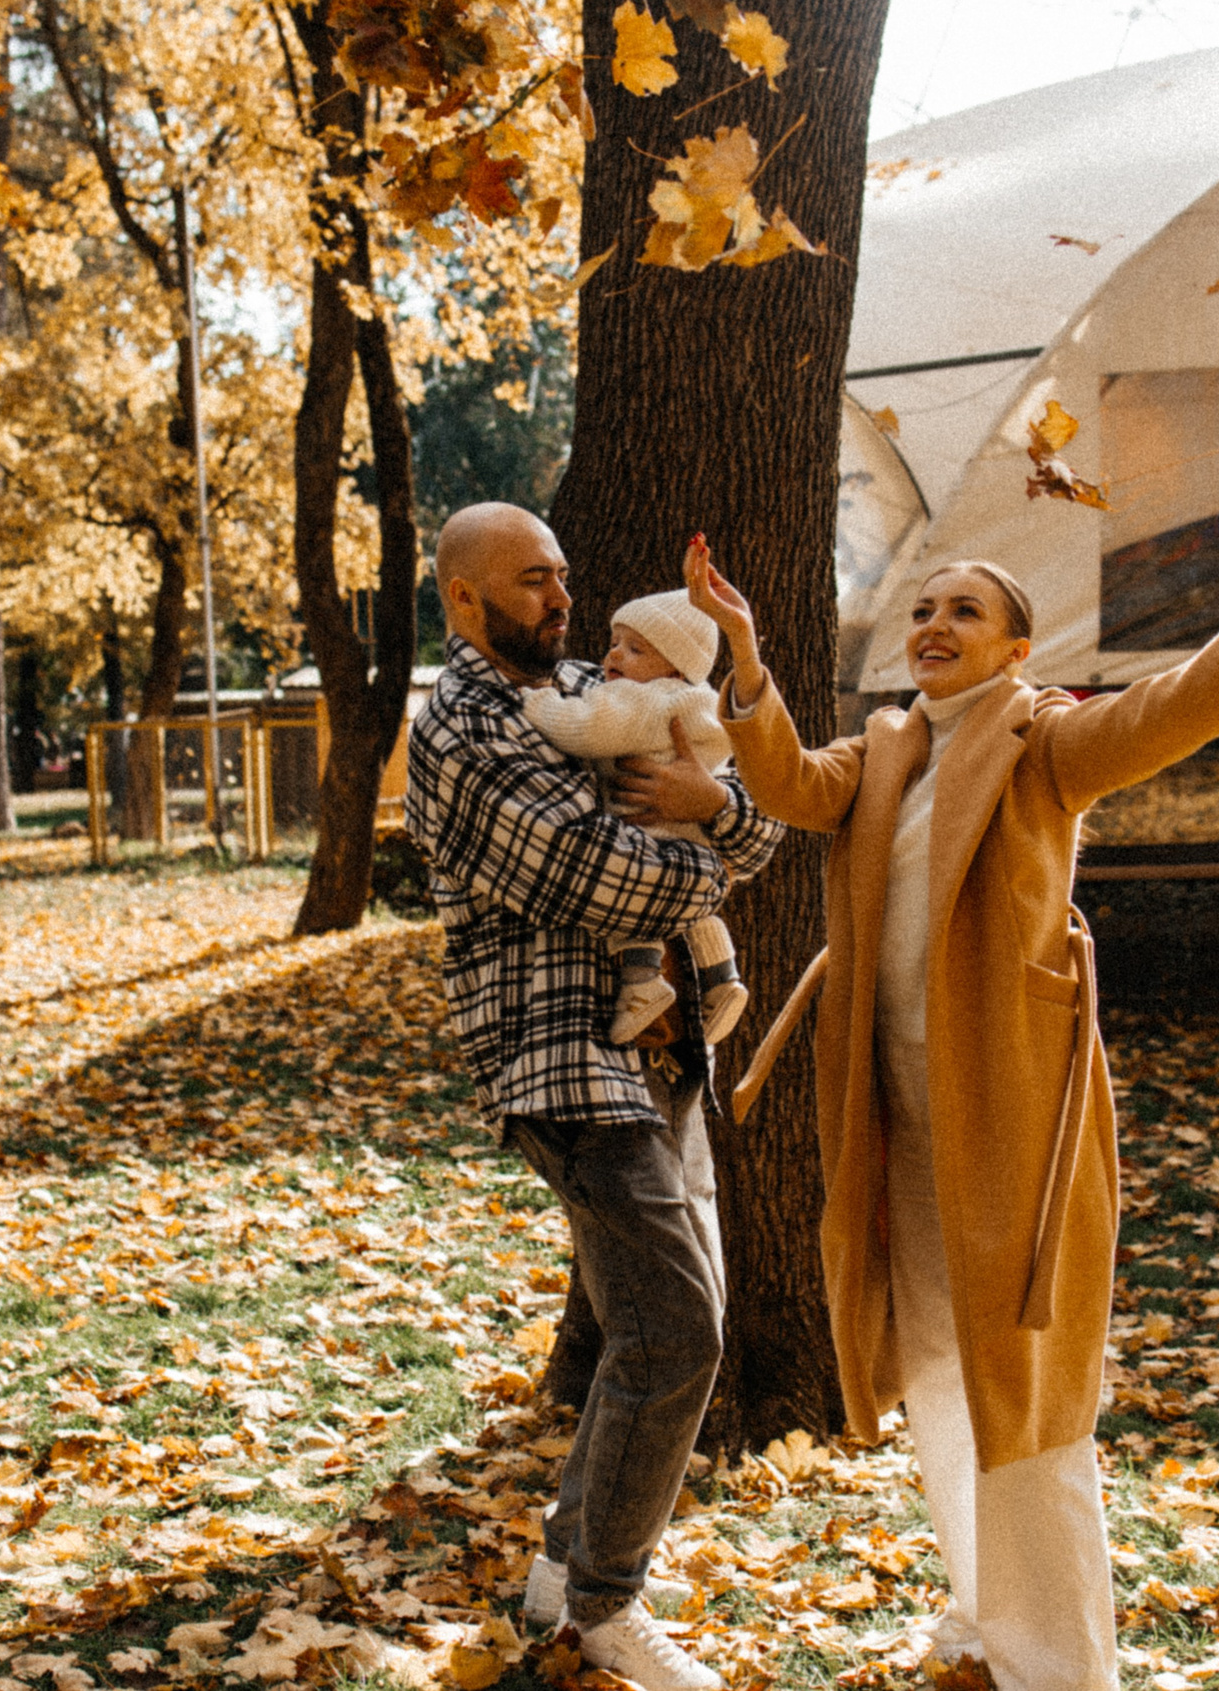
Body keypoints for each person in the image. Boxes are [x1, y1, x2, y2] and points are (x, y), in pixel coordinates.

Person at [693, 518, 1219, 1690]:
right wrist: (745, 653)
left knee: (1025, 1382)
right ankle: (984, 1616)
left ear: (1017, 648)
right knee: (932, 1363)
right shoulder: (877, 752)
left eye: (964, 611)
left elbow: (1158, 717)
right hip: (893, 1113)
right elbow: (781, 782)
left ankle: (1063, 1667)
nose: (934, 627)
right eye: (923, 609)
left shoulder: (1042, 741)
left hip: (1009, 1108)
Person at [405, 503, 783, 1691]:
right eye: (531, 581)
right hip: (561, 1059)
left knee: (650, 1327)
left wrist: (714, 809)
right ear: (464, 599)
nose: (561, 599)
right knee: (678, 1328)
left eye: (564, 575)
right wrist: (704, 834)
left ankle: (567, 1570)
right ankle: (606, 1611)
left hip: (662, 1057)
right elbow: (596, 878)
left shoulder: (588, 685)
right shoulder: (462, 725)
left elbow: (765, 824)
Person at [517, 576, 752, 1047]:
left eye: (635, 650)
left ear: (674, 670)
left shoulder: (640, 700)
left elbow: (582, 728)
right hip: (694, 833)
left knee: (635, 903)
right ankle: (723, 976)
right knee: (693, 909)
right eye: (615, 643)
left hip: (645, 829)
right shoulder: (703, 707)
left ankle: (642, 985)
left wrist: (534, 701)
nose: (614, 657)